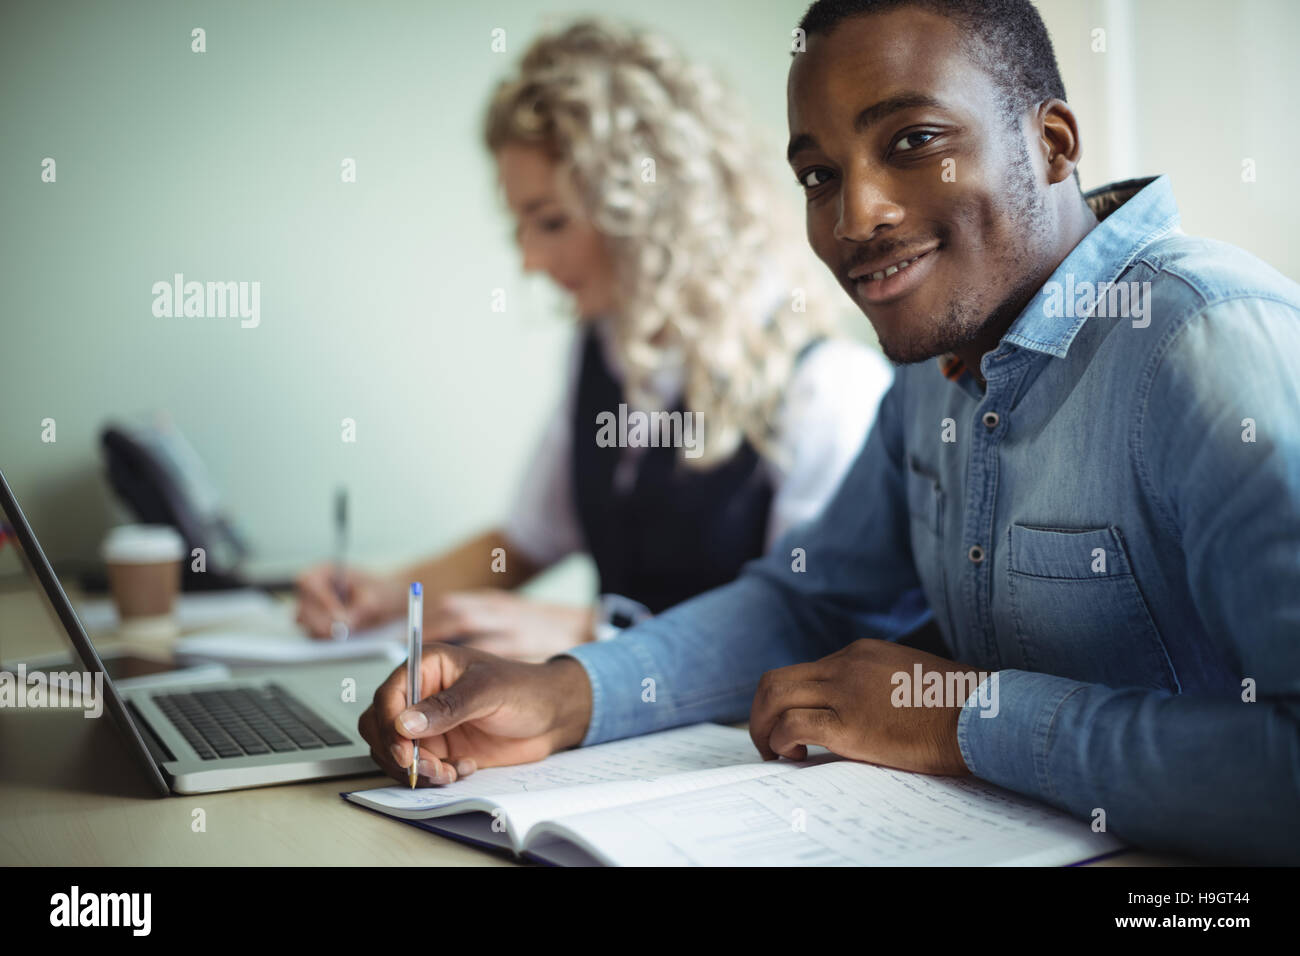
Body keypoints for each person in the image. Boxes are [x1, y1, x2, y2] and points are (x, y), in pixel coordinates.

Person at [358, 0, 1300, 864]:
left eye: (913, 140)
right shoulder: (935, 372)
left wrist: (957, 716)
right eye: (819, 175)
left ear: (1052, 143)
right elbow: (809, 602)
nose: (857, 216)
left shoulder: (1207, 347)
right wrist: (562, 695)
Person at [295, 19, 891, 660]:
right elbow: (528, 542)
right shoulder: (604, 350)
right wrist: (394, 589)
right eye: (518, 226)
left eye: (549, 222)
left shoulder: (828, 385)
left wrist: (594, 631)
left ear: (648, 208)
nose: (528, 260)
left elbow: (817, 631)